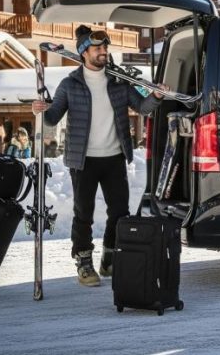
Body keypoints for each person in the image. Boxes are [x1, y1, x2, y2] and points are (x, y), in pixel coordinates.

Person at [32, 25, 165, 287]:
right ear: (84, 52)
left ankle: (110, 256)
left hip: (114, 157)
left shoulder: (118, 82)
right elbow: (52, 117)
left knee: (120, 212)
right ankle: (83, 262)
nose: (104, 52)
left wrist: (156, 96)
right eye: (98, 48)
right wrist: (39, 110)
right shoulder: (70, 85)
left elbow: (143, 107)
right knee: (84, 213)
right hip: (83, 161)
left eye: (105, 47)